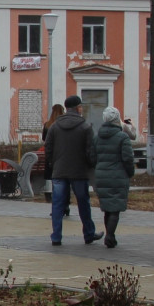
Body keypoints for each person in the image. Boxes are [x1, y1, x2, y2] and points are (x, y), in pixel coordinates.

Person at [44, 96, 99, 245]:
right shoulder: (85, 127)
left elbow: (47, 148)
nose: (82, 109)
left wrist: (53, 163)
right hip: (79, 172)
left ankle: (56, 236)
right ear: (77, 108)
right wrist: (91, 165)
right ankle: (88, 233)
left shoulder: (54, 126)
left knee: (57, 204)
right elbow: (90, 151)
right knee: (83, 202)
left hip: (59, 171)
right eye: (81, 106)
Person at [91, 106, 134, 248]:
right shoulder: (123, 137)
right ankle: (110, 236)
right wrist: (130, 172)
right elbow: (128, 158)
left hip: (101, 176)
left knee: (107, 207)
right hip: (118, 175)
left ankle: (111, 236)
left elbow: (92, 157)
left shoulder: (97, 137)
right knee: (115, 208)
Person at [42, 102, 69, 217]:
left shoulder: (48, 125)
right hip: (65, 157)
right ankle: (66, 206)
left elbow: (45, 140)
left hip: (52, 159)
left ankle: (56, 207)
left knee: (56, 184)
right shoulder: (65, 125)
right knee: (66, 183)